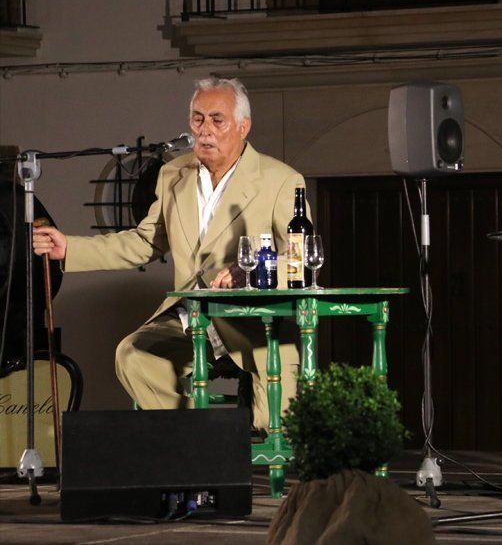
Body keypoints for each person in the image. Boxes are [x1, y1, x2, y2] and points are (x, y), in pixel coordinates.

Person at [32, 77, 305, 430]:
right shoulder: (173, 174)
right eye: (197, 118)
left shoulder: (280, 179)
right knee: (133, 356)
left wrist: (252, 271)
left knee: (276, 425)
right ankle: (196, 444)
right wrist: (69, 248)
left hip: (252, 322)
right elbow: (145, 242)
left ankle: (212, 447)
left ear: (243, 126)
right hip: (190, 319)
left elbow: (298, 259)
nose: (204, 129)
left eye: (216, 120)